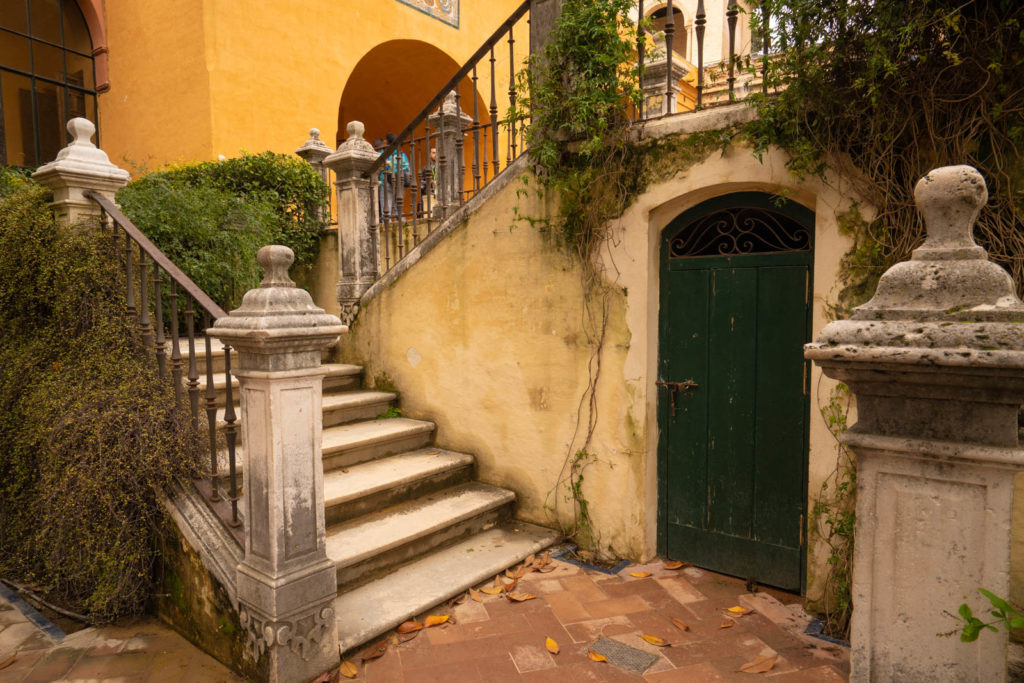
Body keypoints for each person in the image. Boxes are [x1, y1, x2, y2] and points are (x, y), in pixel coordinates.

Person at [381, 132, 410, 220]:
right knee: (399, 207)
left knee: (386, 208)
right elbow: (407, 168)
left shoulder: (384, 155)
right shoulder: (402, 155)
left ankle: (387, 229)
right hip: (402, 181)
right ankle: (402, 226)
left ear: (387, 142)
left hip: (386, 182)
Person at [418, 147, 437, 217]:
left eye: (436, 153)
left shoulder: (441, 168)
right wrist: (430, 182)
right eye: (433, 153)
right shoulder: (425, 169)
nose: (435, 155)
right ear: (429, 155)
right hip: (430, 196)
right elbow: (421, 184)